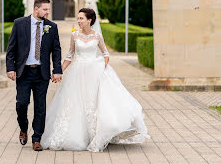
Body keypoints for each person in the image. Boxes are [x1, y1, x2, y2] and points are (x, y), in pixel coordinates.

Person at [41, 8, 149, 152]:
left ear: (89, 20)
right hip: (77, 73)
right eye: (78, 18)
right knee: (75, 103)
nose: (78, 21)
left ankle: (95, 135)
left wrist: (103, 68)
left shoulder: (97, 36)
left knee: (93, 104)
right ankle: (77, 136)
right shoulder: (74, 35)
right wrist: (58, 71)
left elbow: (105, 53)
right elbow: (69, 55)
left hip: (94, 73)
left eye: (81, 18)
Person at [6, 0, 62, 152]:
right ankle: (23, 127)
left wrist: (57, 70)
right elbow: (11, 48)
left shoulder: (52, 26)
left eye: (48, 9)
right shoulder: (19, 23)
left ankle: (37, 138)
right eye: (45, 9)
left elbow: (56, 50)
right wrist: (10, 68)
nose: (47, 12)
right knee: (22, 103)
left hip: (41, 73)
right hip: (23, 72)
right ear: (36, 9)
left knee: (40, 107)